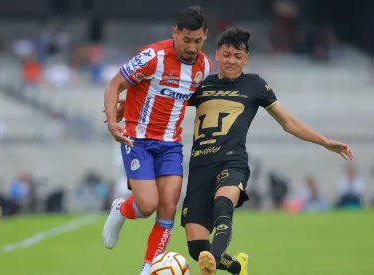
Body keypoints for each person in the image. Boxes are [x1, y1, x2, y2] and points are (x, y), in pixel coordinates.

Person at [180, 27, 354, 275]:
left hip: (232, 162)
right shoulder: (201, 86)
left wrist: (324, 141)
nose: (232, 61)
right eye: (227, 54)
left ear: (246, 59)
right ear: (217, 55)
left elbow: (289, 123)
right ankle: (238, 267)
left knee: (222, 204)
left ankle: (213, 261)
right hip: (199, 167)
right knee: (197, 247)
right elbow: (164, 102)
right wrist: (128, 107)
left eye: (238, 56)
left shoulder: (255, 85)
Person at [102, 6, 212, 275]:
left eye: (197, 41)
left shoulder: (205, 66)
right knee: (148, 205)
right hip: (137, 139)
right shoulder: (153, 56)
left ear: (205, 36)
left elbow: (180, 97)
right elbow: (114, 84)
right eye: (186, 40)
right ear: (175, 33)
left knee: (169, 206)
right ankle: (122, 209)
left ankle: (148, 269)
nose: (191, 47)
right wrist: (114, 122)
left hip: (170, 144)